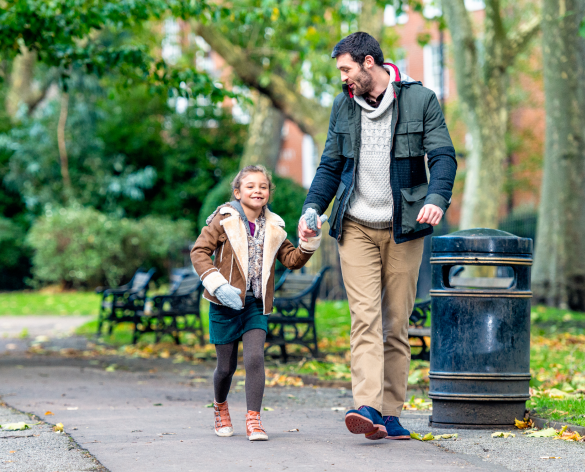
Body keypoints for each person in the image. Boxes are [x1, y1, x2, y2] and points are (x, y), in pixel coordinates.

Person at [298, 32, 457, 441]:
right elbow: (330, 165)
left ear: (369, 63)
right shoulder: (343, 106)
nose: (342, 78)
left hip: (405, 228)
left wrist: (437, 198)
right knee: (364, 317)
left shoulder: (421, 100)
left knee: (395, 323)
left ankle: (389, 413)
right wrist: (312, 208)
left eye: (346, 69)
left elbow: (442, 156)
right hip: (355, 225)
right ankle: (366, 405)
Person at [191, 165, 322, 441]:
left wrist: (308, 241)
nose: (257, 190)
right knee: (225, 368)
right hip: (224, 304)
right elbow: (199, 251)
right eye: (250, 186)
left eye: (263, 186)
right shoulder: (222, 219)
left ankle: (254, 419)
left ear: (268, 193)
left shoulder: (275, 226)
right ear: (238, 193)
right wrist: (216, 283)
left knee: (254, 358)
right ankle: (220, 407)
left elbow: (292, 260)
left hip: (255, 304)